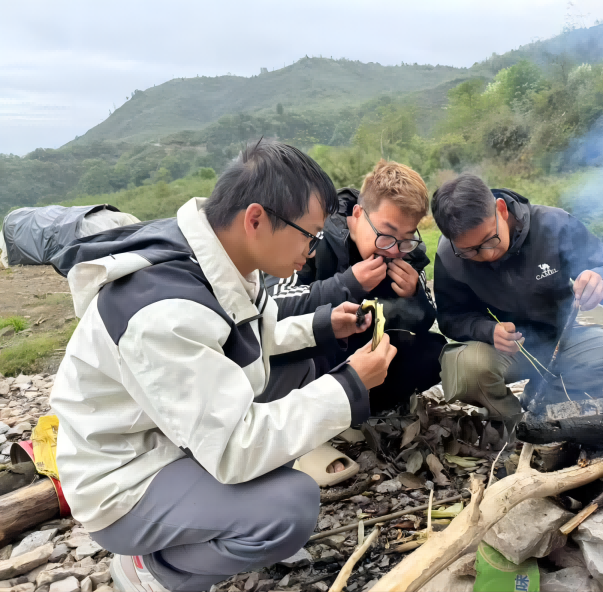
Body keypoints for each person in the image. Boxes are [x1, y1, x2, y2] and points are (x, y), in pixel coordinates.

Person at [48, 140, 396, 592]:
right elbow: (235, 447)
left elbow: (247, 334)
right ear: (255, 219)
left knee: (295, 371)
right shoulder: (163, 313)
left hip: (175, 433)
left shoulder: (222, 257)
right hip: (126, 476)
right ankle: (152, 571)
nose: (312, 251)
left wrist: (323, 325)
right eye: (308, 235)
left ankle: (216, 520)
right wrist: (349, 386)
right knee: (289, 508)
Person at [430, 173, 603, 421]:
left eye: (490, 240)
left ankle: (544, 406)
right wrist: (488, 330)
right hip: (505, 351)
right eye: (470, 251)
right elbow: (451, 317)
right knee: (462, 368)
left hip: (562, 340)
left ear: (501, 210)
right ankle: (511, 426)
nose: (486, 255)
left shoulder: (554, 225)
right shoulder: (449, 256)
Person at [267, 160, 446, 413]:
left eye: (406, 238)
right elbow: (272, 304)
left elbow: (423, 320)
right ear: (359, 214)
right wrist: (346, 284)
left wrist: (414, 294)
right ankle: (318, 412)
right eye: (386, 233)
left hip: (367, 356)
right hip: (317, 357)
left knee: (433, 353)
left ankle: (364, 410)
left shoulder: (408, 253)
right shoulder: (315, 234)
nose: (394, 249)